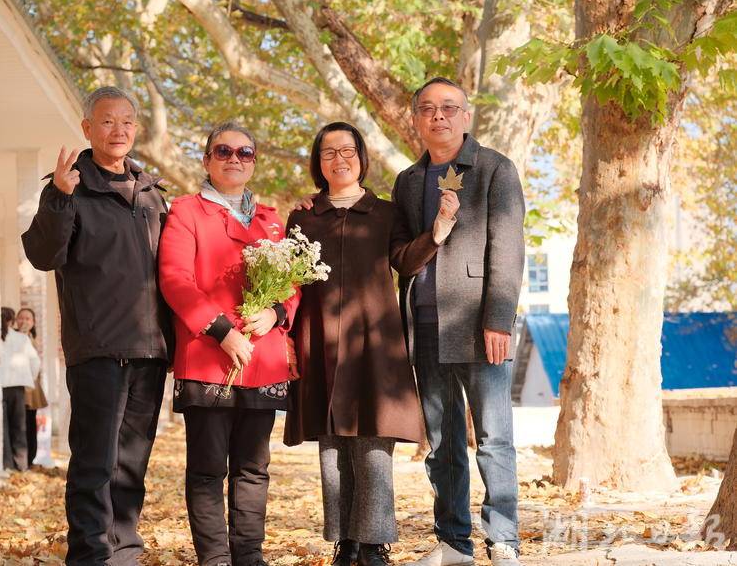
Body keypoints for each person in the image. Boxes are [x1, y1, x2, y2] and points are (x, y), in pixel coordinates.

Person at [284, 122, 458, 566]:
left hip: (375, 341)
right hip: (320, 340)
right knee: (333, 444)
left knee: (373, 443)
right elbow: (289, 282)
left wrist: (439, 229)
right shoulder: (303, 217)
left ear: (361, 157)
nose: (339, 159)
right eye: (328, 152)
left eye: (347, 150)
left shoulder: (384, 212)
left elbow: (405, 260)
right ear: (318, 162)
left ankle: (374, 542)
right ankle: (345, 541)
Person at [22, 85, 174, 566]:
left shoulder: (152, 195)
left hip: (150, 351)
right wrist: (59, 198)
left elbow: (172, 271)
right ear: (88, 128)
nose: (118, 130)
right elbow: (43, 255)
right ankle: (90, 556)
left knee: (131, 467)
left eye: (127, 121)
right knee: (95, 465)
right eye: (107, 121)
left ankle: (124, 553)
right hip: (97, 349)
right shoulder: (69, 187)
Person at [394, 78, 525, 566]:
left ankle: (503, 538)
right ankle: (453, 542)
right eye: (428, 108)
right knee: (442, 443)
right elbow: (401, 257)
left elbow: (508, 249)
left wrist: (499, 320)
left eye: (449, 108)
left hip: (478, 326)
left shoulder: (493, 169)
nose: (439, 116)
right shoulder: (409, 180)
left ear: (466, 116)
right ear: (416, 119)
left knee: (494, 438)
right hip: (425, 326)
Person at [158, 121, 299, 566]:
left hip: (262, 359)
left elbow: (292, 285)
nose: (234, 159)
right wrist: (223, 332)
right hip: (208, 357)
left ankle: (249, 557)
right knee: (207, 469)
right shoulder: (185, 212)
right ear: (206, 160)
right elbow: (175, 280)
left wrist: (275, 313)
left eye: (244, 152)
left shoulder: (272, 221)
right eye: (223, 151)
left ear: (254, 162)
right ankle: (215, 559)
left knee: (253, 469)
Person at [0, 307, 40, 471]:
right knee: (19, 427)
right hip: (17, 387)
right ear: (12, 321)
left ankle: (6, 464)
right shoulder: (22, 338)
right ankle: (21, 464)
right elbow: (35, 362)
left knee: (3, 428)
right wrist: (30, 377)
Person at [16, 307, 47, 467]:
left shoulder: (33, 340)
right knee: (19, 423)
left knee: (30, 422)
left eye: (28, 319)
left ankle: (30, 457)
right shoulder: (13, 337)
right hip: (18, 385)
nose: (24, 321)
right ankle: (21, 458)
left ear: (33, 322)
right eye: (21, 318)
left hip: (31, 388)